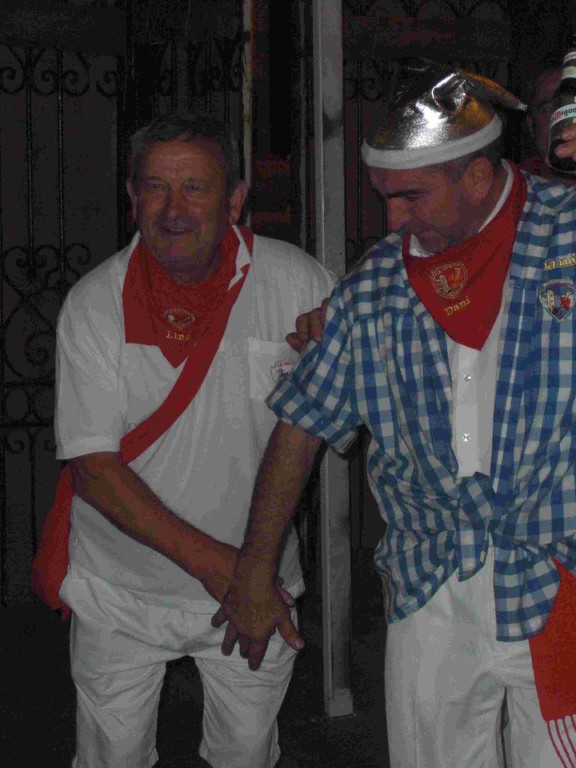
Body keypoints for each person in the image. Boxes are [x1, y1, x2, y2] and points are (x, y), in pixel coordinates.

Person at [213, 60, 576, 768]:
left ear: (477, 176)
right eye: (384, 197)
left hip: (557, 576)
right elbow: (302, 423)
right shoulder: (376, 286)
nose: (392, 220)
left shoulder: (567, 238)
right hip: (431, 583)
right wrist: (255, 569)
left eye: (410, 197)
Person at [52, 112, 335, 768]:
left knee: (247, 754)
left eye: (196, 188)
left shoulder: (298, 283)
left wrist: (346, 350)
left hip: (258, 586)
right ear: (132, 197)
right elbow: (94, 470)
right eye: (155, 187)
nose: (173, 210)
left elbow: (360, 410)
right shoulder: (95, 303)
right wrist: (237, 572)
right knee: (110, 758)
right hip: (123, 592)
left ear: (235, 199)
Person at [518, 56, 576, 183]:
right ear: (531, 125)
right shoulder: (515, 184)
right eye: (548, 109)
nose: (561, 119)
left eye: (571, 106)